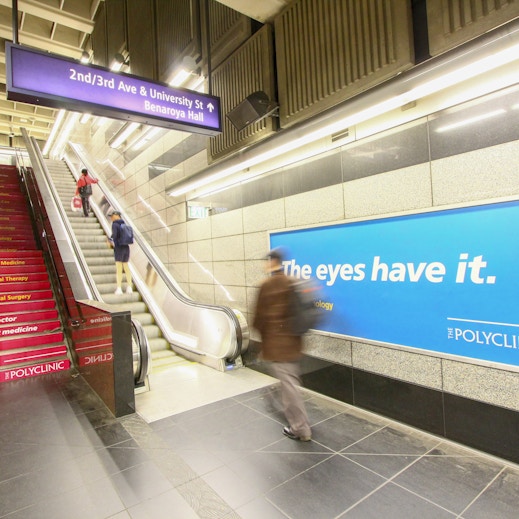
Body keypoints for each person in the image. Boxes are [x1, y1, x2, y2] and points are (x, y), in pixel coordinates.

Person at [253, 248, 312, 441]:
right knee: (290, 382)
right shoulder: (292, 282)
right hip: (294, 342)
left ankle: (300, 428)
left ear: (272, 262)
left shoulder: (267, 285)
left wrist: (263, 338)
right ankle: (300, 421)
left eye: (267, 261)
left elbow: (259, 318)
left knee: (289, 387)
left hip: (278, 345)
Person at [107, 211, 133, 295]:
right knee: (126, 266)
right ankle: (129, 287)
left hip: (119, 248)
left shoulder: (115, 224)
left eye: (112, 216)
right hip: (126, 247)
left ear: (117, 216)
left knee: (119, 268)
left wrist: (109, 240)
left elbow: (115, 235)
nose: (111, 218)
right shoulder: (124, 224)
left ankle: (119, 288)